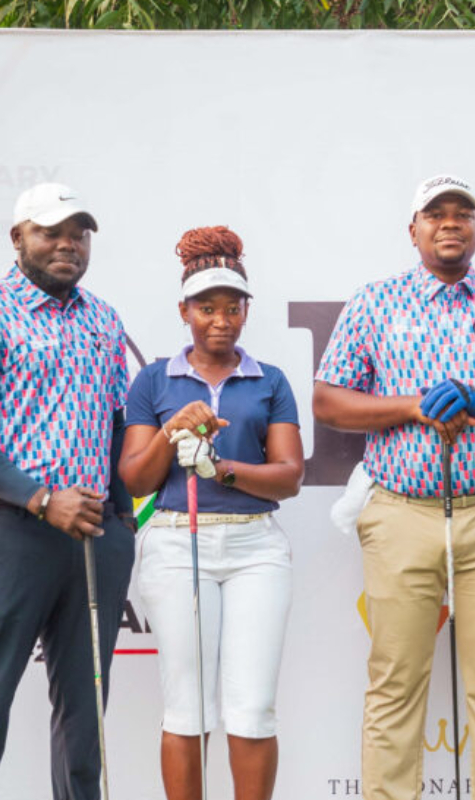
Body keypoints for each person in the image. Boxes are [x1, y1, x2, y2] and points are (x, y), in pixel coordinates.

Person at [313, 175, 475, 800]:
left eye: (464, 213)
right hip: (402, 512)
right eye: (435, 214)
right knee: (395, 688)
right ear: (414, 230)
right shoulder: (376, 302)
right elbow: (327, 400)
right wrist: (411, 406)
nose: (450, 222)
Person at [0, 182, 136, 800]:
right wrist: (43, 498)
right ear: (18, 237)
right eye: (51, 232)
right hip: (8, 529)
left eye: (79, 234)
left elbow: (116, 427)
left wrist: (122, 522)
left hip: (93, 534)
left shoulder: (104, 319)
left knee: (85, 712)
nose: (68, 244)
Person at [118, 226, 303, 800]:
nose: (220, 320)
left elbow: (289, 475)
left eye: (232, 308)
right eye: (206, 308)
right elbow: (135, 479)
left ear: (246, 311)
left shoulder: (270, 380)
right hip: (177, 542)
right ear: (184, 311)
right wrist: (172, 431)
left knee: (253, 707)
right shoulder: (154, 380)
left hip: (255, 547)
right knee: (187, 706)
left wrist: (220, 469)